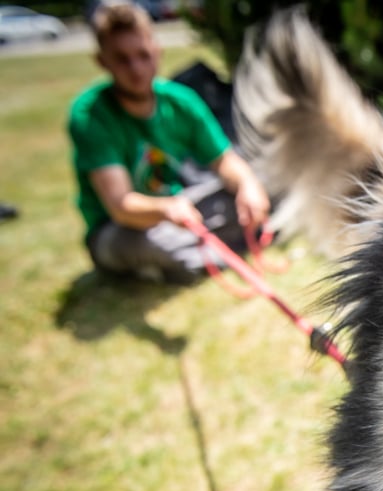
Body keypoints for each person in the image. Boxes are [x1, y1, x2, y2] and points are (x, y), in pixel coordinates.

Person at [68, 2, 270, 284]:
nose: (136, 68)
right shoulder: (91, 115)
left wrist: (248, 187)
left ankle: (201, 255)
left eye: (143, 55)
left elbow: (224, 160)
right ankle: (209, 253)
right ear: (103, 61)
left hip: (184, 208)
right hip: (125, 227)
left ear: (157, 50)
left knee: (259, 188)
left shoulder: (180, 100)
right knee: (152, 243)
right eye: (122, 59)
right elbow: (120, 205)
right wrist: (165, 210)